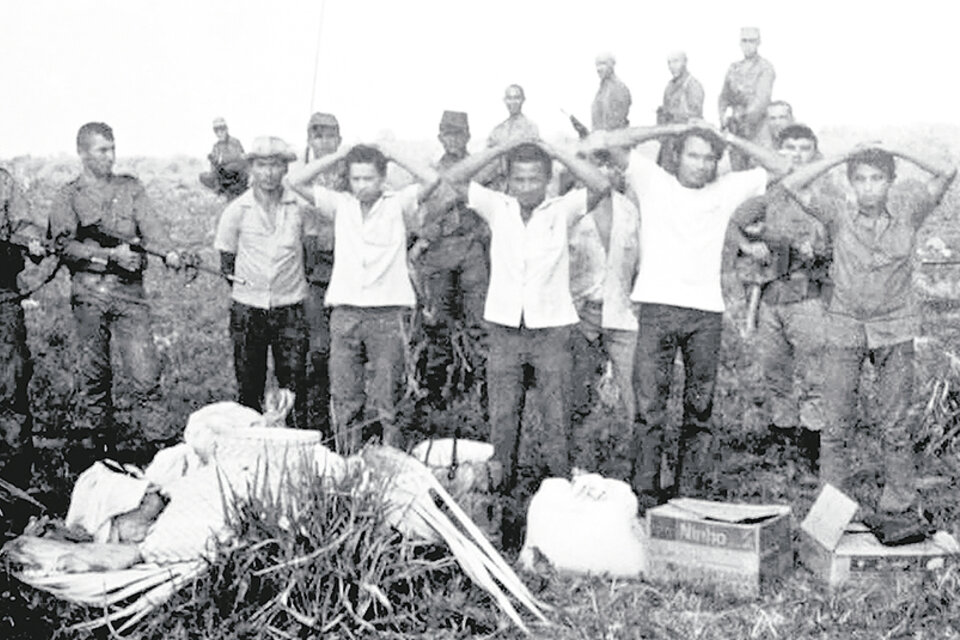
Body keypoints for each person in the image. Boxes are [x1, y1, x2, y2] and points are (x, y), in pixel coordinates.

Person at [582, 121, 790, 509]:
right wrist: (678, 126)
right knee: (649, 409)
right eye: (693, 155)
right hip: (657, 310)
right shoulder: (654, 181)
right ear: (677, 155)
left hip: (705, 315)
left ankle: (688, 497)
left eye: (710, 158)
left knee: (699, 410)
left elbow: (781, 167)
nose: (701, 164)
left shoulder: (726, 189)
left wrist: (730, 137)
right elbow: (613, 141)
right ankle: (645, 496)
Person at [442, 137, 611, 548]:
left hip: (552, 329)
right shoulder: (497, 207)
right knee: (503, 419)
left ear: (548, 180)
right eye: (519, 178)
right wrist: (502, 151)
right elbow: (453, 177)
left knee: (557, 419)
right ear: (509, 180)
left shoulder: (562, 208)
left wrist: (554, 150)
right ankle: (500, 508)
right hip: (504, 329)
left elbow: (601, 185)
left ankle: (558, 506)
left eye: (536, 178)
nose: (527, 186)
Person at [781, 143, 956, 516]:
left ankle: (899, 504)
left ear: (890, 182)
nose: (868, 187)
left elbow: (948, 170)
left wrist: (895, 150)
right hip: (844, 327)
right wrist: (844, 155)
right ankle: (832, 508)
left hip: (894, 327)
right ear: (850, 183)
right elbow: (792, 184)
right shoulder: (838, 215)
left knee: (894, 424)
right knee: (836, 427)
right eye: (860, 179)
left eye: (877, 178)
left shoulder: (909, 212)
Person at [286, 143, 439, 453]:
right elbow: (296, 182)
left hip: (387, 316)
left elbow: (431, 180)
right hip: (345, 314)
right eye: (355, 179)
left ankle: (393, 460)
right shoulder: (340, 204)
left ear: (382, 177)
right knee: (345, 397)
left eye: (368, 178)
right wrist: (338, 157)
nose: (361, 186)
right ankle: (346, 460)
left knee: (389, 399)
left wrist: (393, 153)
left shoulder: (397, 204)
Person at [49, 122, 184, 458]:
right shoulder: (69, 196)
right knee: (94, 374)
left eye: (112, 148)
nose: (110, 156)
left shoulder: (131, 188)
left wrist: (169, 252)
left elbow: (151, 228)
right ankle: (96, 449)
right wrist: (110, 256)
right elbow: (63, 246)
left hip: (130, 294)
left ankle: (160, 448)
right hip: (90, 293)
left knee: (145, 374)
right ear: (82, 153)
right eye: (101, 150)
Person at [731, 124, 833, 470]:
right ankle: (782, 435)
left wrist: (816, 250)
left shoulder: (822, 193)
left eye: (804, 148)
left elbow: (838, 242)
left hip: (808, 294)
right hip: (771, 295)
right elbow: (734, 220)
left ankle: (812, 443)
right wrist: (750, 245)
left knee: (815, 373)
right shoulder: (769, 193)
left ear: (814, 153)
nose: (796, 154)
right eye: (788, 147)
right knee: (775, 371)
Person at [214, 137, 310, 431]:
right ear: (251, 168)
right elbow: (227, 261)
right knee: (249, 382)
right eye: (262, 165)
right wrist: (248, 293)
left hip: (290, 308)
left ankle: (294, 446)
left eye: (275, 165)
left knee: (293, 383)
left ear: (285, 168)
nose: (268, 173)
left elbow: (309, 253)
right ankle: (250, 447)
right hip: (248, 310)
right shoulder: (236, 211)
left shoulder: (300, 207)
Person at [412, 111, 490, 413]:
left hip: (470, 249)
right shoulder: (429, 173)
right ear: (440, 137)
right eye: (449, 134)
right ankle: (434, 396)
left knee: (479, 325)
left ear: (468, 136)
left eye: (459, 134)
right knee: (437, 325)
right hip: (440, 251)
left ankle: (486, 397)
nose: (454, 140)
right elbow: (418, 213)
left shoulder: (480, 170)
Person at [567, 150, 640, 468]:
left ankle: (635, 462)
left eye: (611, 164)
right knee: (576, 390)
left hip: (623, 312)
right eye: (597, 165)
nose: (606, 171)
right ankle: (576, 462)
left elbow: (644, 262)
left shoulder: (633, 211)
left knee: (635, 391)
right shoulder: (570, 208)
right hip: (580, 312)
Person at [301, 112, 347, 439]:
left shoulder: (352, 176)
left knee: (344, 353)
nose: (324, 142)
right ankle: (315, 423)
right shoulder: (302, 176)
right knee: (316, 352)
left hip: (345, 275)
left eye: (330, 135)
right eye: (317, 136)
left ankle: (344, 425)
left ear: (339, 139)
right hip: (311, 275)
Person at [0, 168, 45, 483]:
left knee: (10, 384)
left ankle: (15, 487)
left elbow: (25, 225)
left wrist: (32, 241)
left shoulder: (3, 181)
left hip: (2, 294)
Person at [718, 28, 776, 171]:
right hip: (736, 131)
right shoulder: (733, 68)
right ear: (739, 43)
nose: (748, 45)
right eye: (744, 41)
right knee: (738, 171)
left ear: (759, 43)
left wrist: (741, 118)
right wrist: (723, 118)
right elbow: (723, 97)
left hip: (758, 130)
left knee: (758, 171)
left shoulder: (766, 68)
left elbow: (761, 101)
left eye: (752, 41)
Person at [656, 51, 705, 173]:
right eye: (669, 63)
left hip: (685, 143)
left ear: (685, 62)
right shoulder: (669, 86)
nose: (672, 66)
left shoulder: (693, 85)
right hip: (669, 143)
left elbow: (695, 117)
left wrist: (672, 114)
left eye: (676, 61)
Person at [486, 85, 540, 191]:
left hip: (521, 185)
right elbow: (488, 159)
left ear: (523, 100)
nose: (513, 102)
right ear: (505, 100)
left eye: (516, 98)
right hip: (499, 186)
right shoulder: (497, 130)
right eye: (509, 98)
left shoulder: (530, 128)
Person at [199, 117, 248, 199]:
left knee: (232, 168)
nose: (220, 133)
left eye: (222, 130)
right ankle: (221, 190)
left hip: (236, 175)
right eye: (217, 131)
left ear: (226, 129)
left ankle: (229, 191)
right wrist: (213, 161)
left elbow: (240, 158)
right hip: (221, 175)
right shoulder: (216, 146)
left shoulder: (234, 142)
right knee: (203, 176)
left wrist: (221, 160)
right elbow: (214, 166)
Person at [591, 53, 632, 132]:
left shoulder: (619, 88)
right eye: (597, 65)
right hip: (600, 139)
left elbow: (616, 124)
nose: (598, 69)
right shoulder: (601, 90)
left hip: (614, 140)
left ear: (612, 65)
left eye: (603, 64)